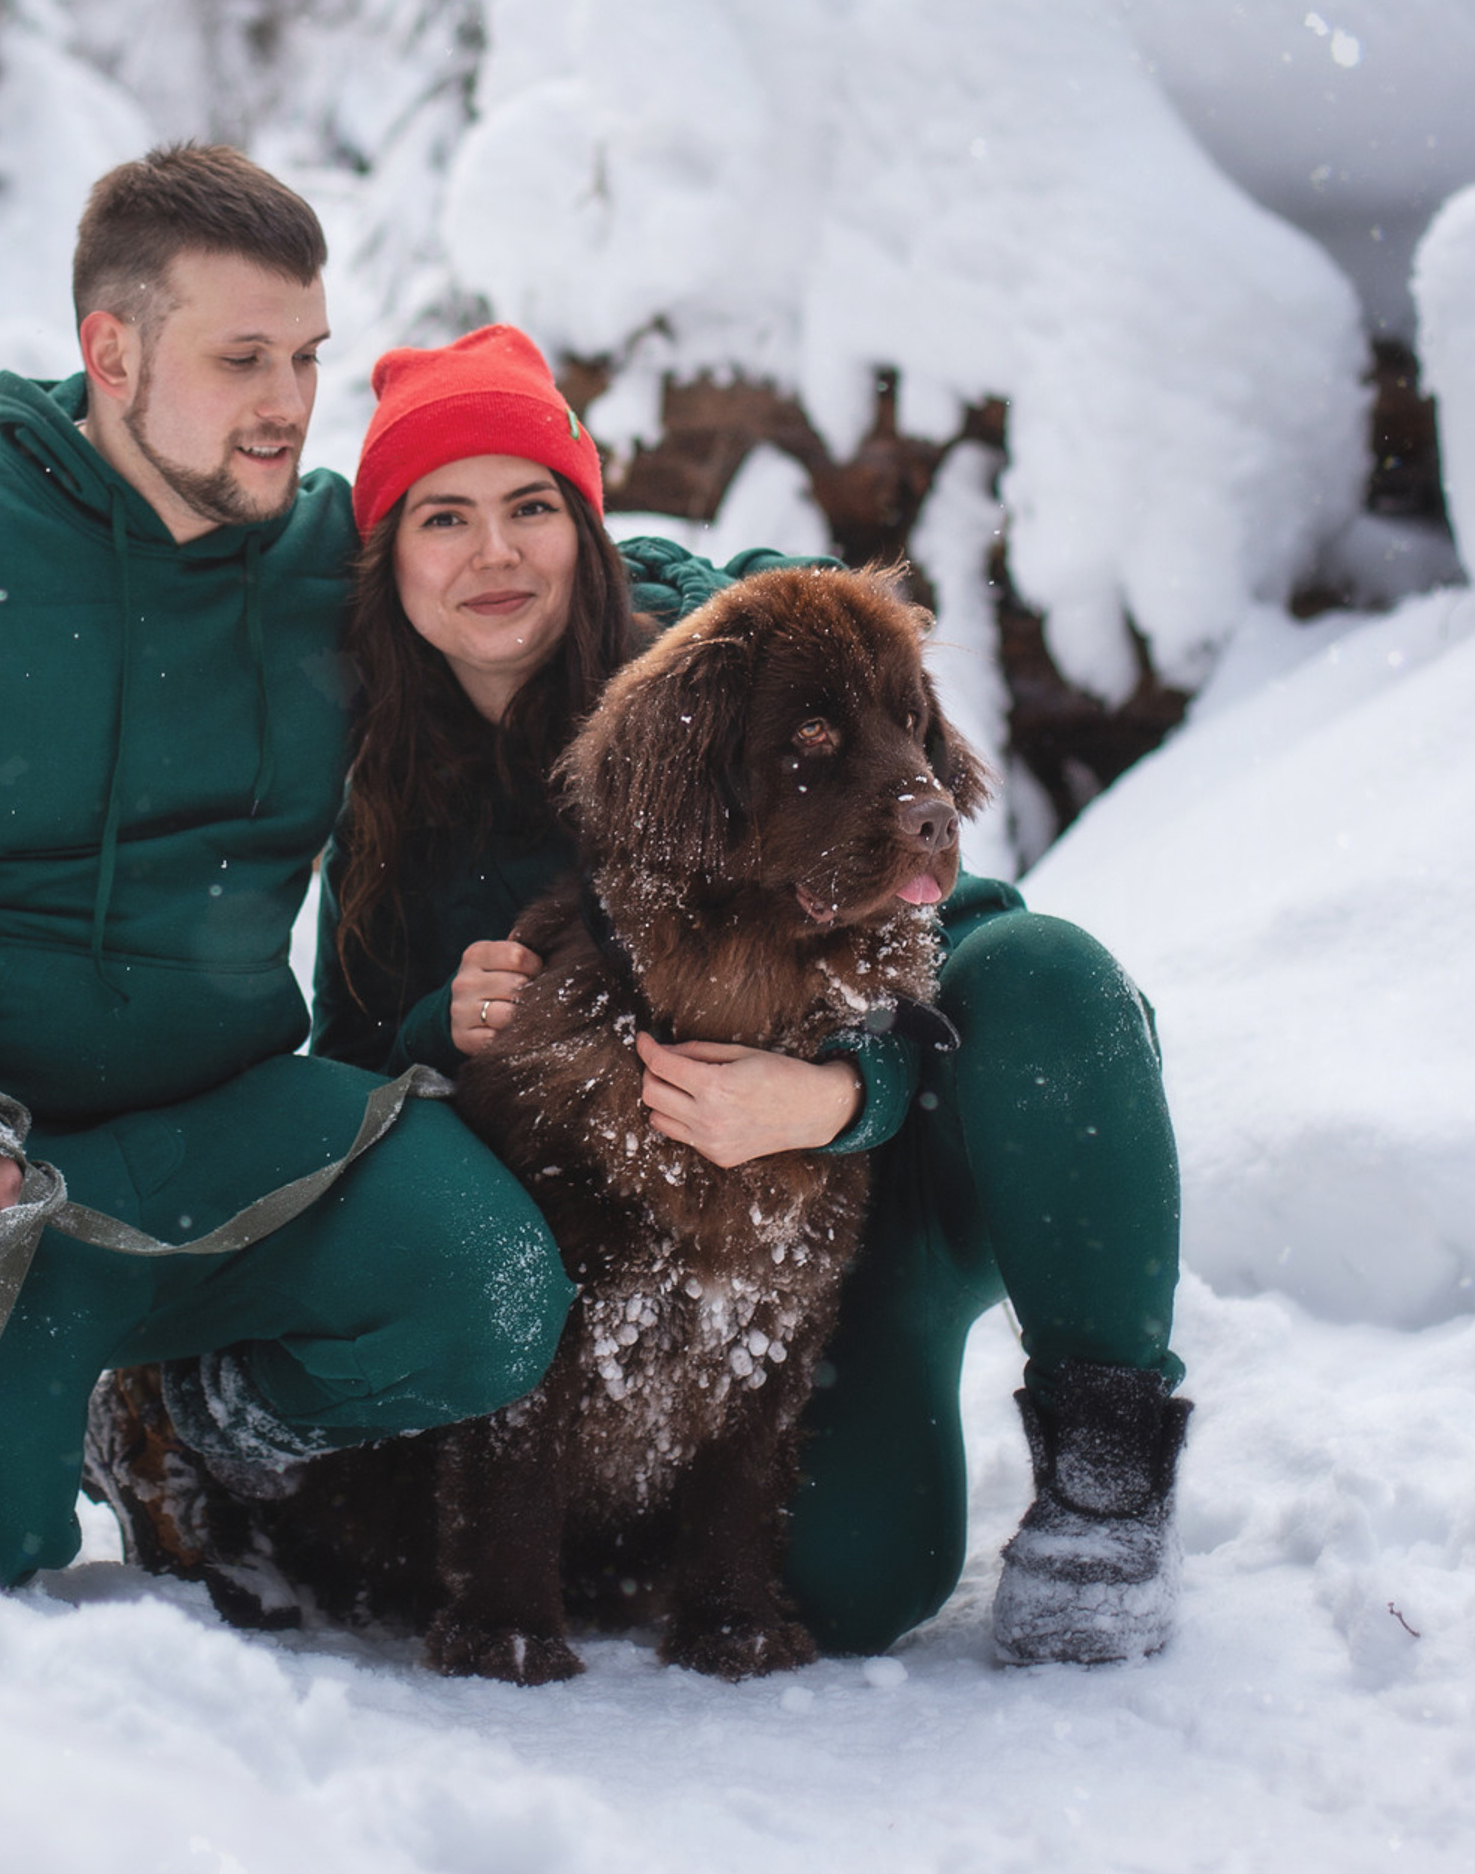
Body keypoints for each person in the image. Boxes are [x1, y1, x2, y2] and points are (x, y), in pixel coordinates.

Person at [0, 149, 572, 1591]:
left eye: (308, 358)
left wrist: (772, 632)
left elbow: (547, 567)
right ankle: (29, 1403)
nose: (287, 402)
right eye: (244, 358)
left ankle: (192, 1425)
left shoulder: (330, 561)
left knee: (486, 1289)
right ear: (113, 351)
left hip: (225, 1131)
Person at [308, 324, 1192, 1665]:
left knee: (1051, 974)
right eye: (445, 517)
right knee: (851, 1588)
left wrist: (844, 1096)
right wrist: (446, 1029)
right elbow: (355, 1062)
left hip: (853, 1192)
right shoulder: (382, 785)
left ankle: (1110, 1484)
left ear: (588, 522)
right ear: (392, 558)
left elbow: (955, 919)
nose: (496, 554)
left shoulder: (736, 650)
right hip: (646, 1235)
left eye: (533, 507)